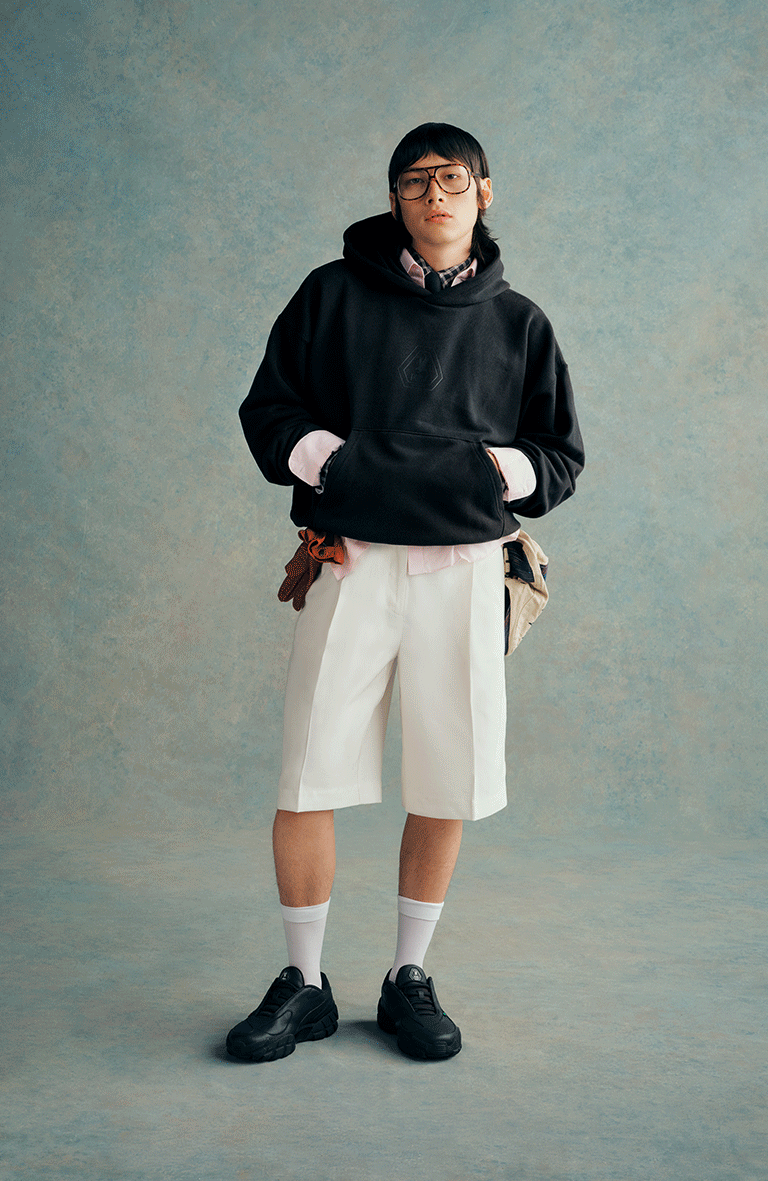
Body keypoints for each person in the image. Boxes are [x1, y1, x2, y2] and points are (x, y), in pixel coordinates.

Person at [229, 122, 583, 1063]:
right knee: (308, 772)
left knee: (446, 777)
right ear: (394, 199)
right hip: (349, 559)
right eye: (416, 181)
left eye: (452, 179)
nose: (434, 195)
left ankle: (407, 977)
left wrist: (485, 473)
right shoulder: (332, 294)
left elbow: (558, 456)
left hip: (463, 572)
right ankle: (303, 983)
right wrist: (336, 463)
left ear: (484, 192)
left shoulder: (520, 323)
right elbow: (270, 409)